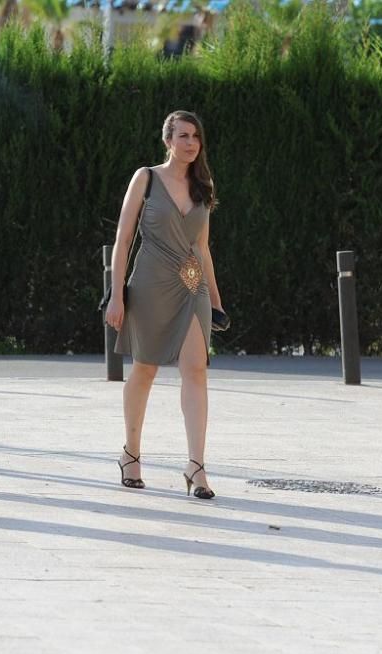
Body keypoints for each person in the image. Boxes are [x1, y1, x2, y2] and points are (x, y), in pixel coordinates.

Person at [105, 110, 226, 499]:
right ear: (167, 140)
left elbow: (203, 249)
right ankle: (131, 453)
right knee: (144, 372)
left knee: (196, 371)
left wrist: (218, 303)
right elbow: (123, 240)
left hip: (193, 288)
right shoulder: (146, 178)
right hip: (150, 286)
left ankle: (196, 466)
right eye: (184, 136)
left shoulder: (202, 185)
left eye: (196, 136)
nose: (191, 143)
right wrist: (116, 294)